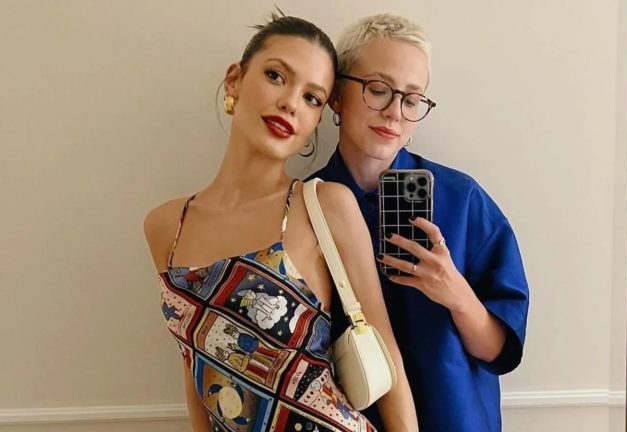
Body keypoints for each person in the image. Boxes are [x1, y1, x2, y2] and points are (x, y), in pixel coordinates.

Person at [143, 13, 417, 432]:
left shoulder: (323, 205)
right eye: (276, 76)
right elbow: (195, 362)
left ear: (316, 121)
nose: (291, 102)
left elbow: (386, 352)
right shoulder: (166, 226)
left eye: (312, 98)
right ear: (234, 81)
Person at [309, 13, 530, 432]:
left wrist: (455, 294)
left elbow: (498, 350)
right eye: (378, 90)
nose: (394, 112)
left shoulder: (462, 201)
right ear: (337, 95)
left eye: (412, 100)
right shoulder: (305, 208)